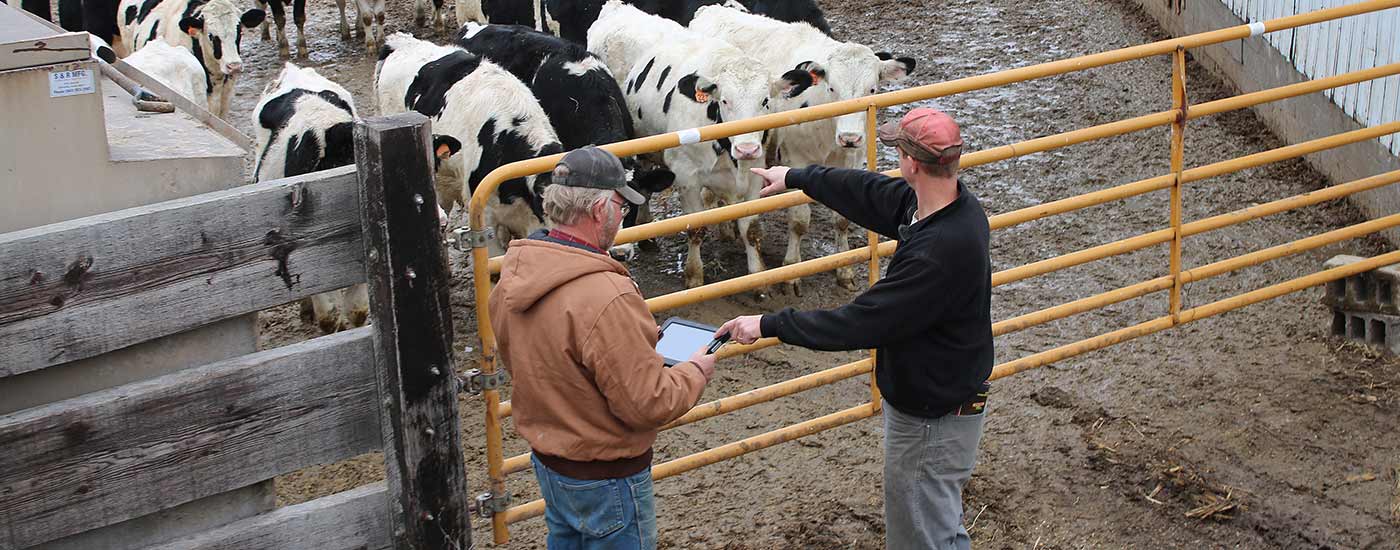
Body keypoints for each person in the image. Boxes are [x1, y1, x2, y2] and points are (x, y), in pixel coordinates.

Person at [715, 108, 993, 550]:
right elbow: (870, 192)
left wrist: (769, 323)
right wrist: (798, 177)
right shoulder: (947, 206)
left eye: (898, 151)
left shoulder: (938, 251)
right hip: (940, 398)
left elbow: (862, 321)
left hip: (930, 415)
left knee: (920, 532)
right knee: (936, 519)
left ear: (912, 163)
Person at [489, 147, 719, 550]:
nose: (623, 215)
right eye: (619, 205)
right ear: (599, 210)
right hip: (607, 475)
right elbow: (649, 403)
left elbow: (540, 358)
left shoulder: (514, 274)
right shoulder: (605, 294)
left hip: (552, 462)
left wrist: (632, 346)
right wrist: (695, 369)